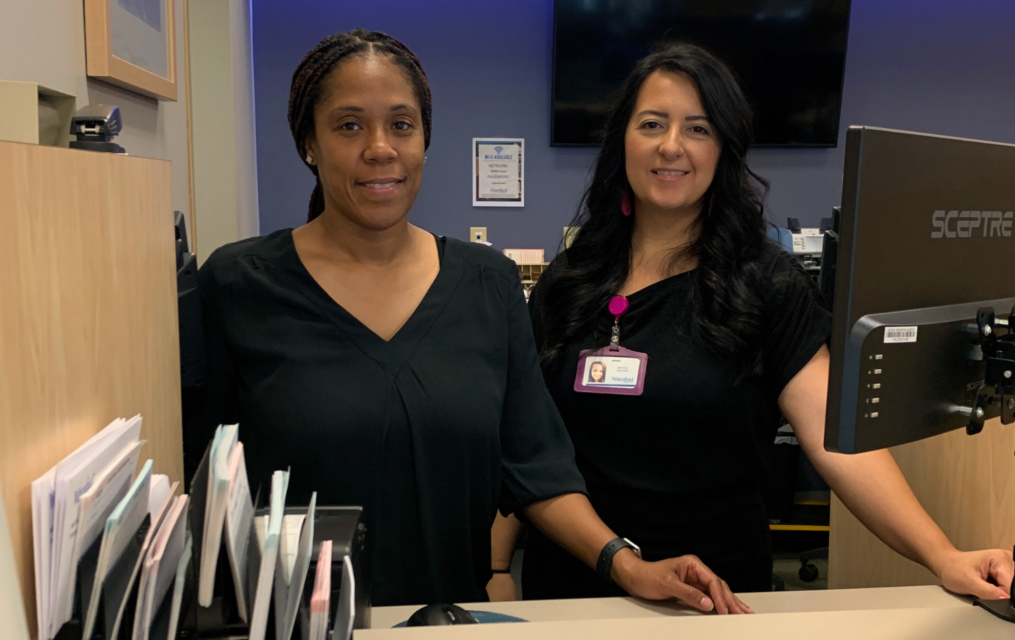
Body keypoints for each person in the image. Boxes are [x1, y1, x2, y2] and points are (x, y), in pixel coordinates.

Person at [189, 30, 752, 612]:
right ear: (309, 142)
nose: (380, 148)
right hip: (292, 624)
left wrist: (628, 566)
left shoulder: (486, 284)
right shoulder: (239, 285)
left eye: (402, 125)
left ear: (424, 139)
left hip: (445, 619)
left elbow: (537, 464)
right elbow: (201, 486)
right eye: (349, 125)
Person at [491, 44, 1015, 602]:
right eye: (652, 124)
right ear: (623, 139)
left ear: (724, 150)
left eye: (698, 128)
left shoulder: (766, 285)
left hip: (713, 591)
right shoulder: (568, 281)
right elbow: (525, 441)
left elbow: (834, 442)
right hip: (575, 584)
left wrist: (942, 554)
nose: (671, 145)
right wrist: (498, 568)